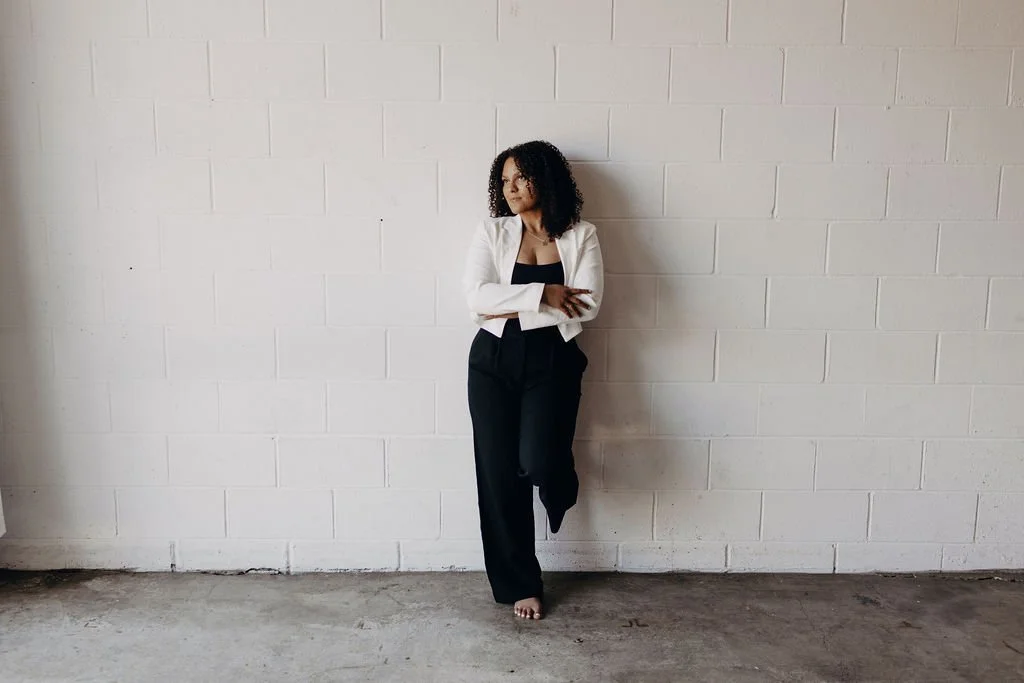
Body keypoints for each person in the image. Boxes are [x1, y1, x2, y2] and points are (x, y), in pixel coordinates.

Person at [462, 140, 604, 620]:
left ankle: (559, 486)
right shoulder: (492, 232)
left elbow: (588, 306)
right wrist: (546, 294)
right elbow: (477, 299)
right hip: (492, 359)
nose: (512, 188)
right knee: (499, 476)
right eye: (504, 180)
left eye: (521, 177)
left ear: (546, 178)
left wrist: (515, 299)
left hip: (554, 360)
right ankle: (521, 582)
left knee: (540, 460)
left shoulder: (581, 236)